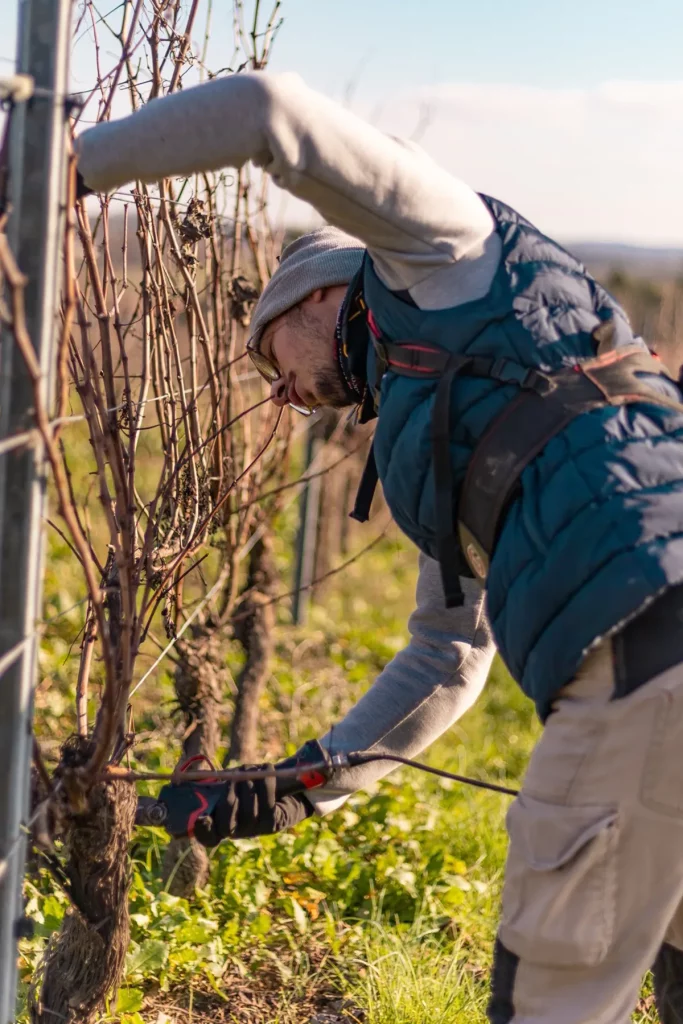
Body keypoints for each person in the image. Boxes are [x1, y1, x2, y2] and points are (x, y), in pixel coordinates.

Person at [77, 71, 683, 1024]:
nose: (275, 391)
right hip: (656, 665)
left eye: (264, 352)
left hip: (644, 657)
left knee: (552, 1000)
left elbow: (263, 112)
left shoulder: (443, 258)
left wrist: (49, 168)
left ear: (314, 294)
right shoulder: (444, 405)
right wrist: (299, 786)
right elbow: (450, 655)